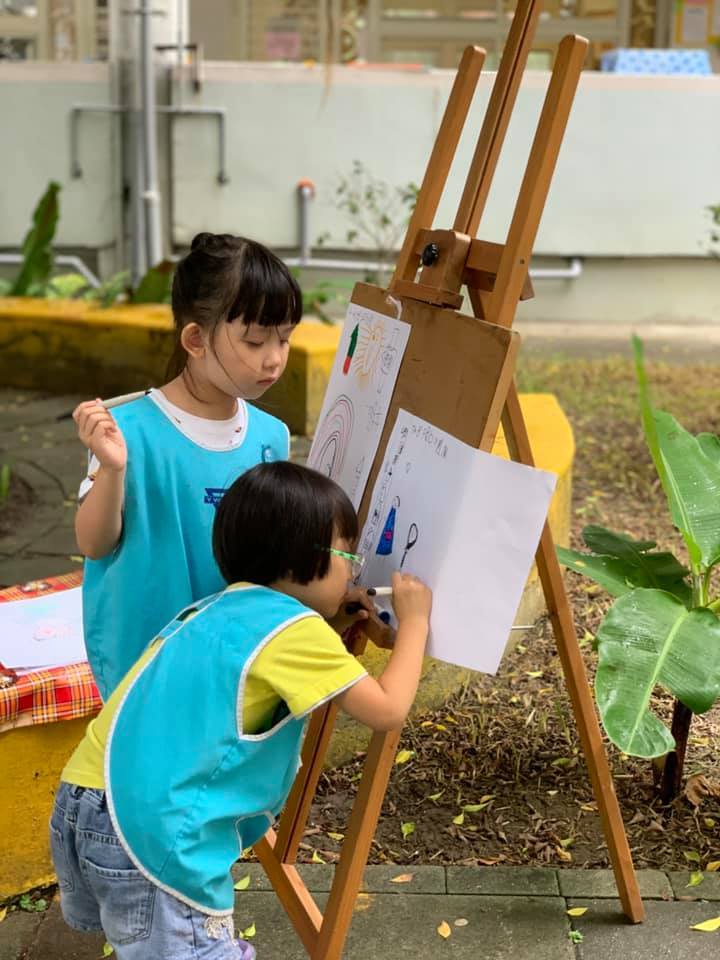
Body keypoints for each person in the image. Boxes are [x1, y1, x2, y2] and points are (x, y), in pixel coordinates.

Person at [50, 461, 432, 959]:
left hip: (88, 798)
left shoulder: (216, 608)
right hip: (149, 827)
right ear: (303, 555)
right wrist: (416, 623)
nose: (355, 571)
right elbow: (386, 709)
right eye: (347, 555)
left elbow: (265, 667)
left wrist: (335, 622)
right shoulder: (296, 631)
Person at [73, 233, 302, 699]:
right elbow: (93, 543)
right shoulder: (126, 432)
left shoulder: (271, 437)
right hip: (146, 677)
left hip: (236, 669)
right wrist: (114, 470)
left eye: (285, 338)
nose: (274, 358)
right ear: (195, 339)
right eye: (256, 340)